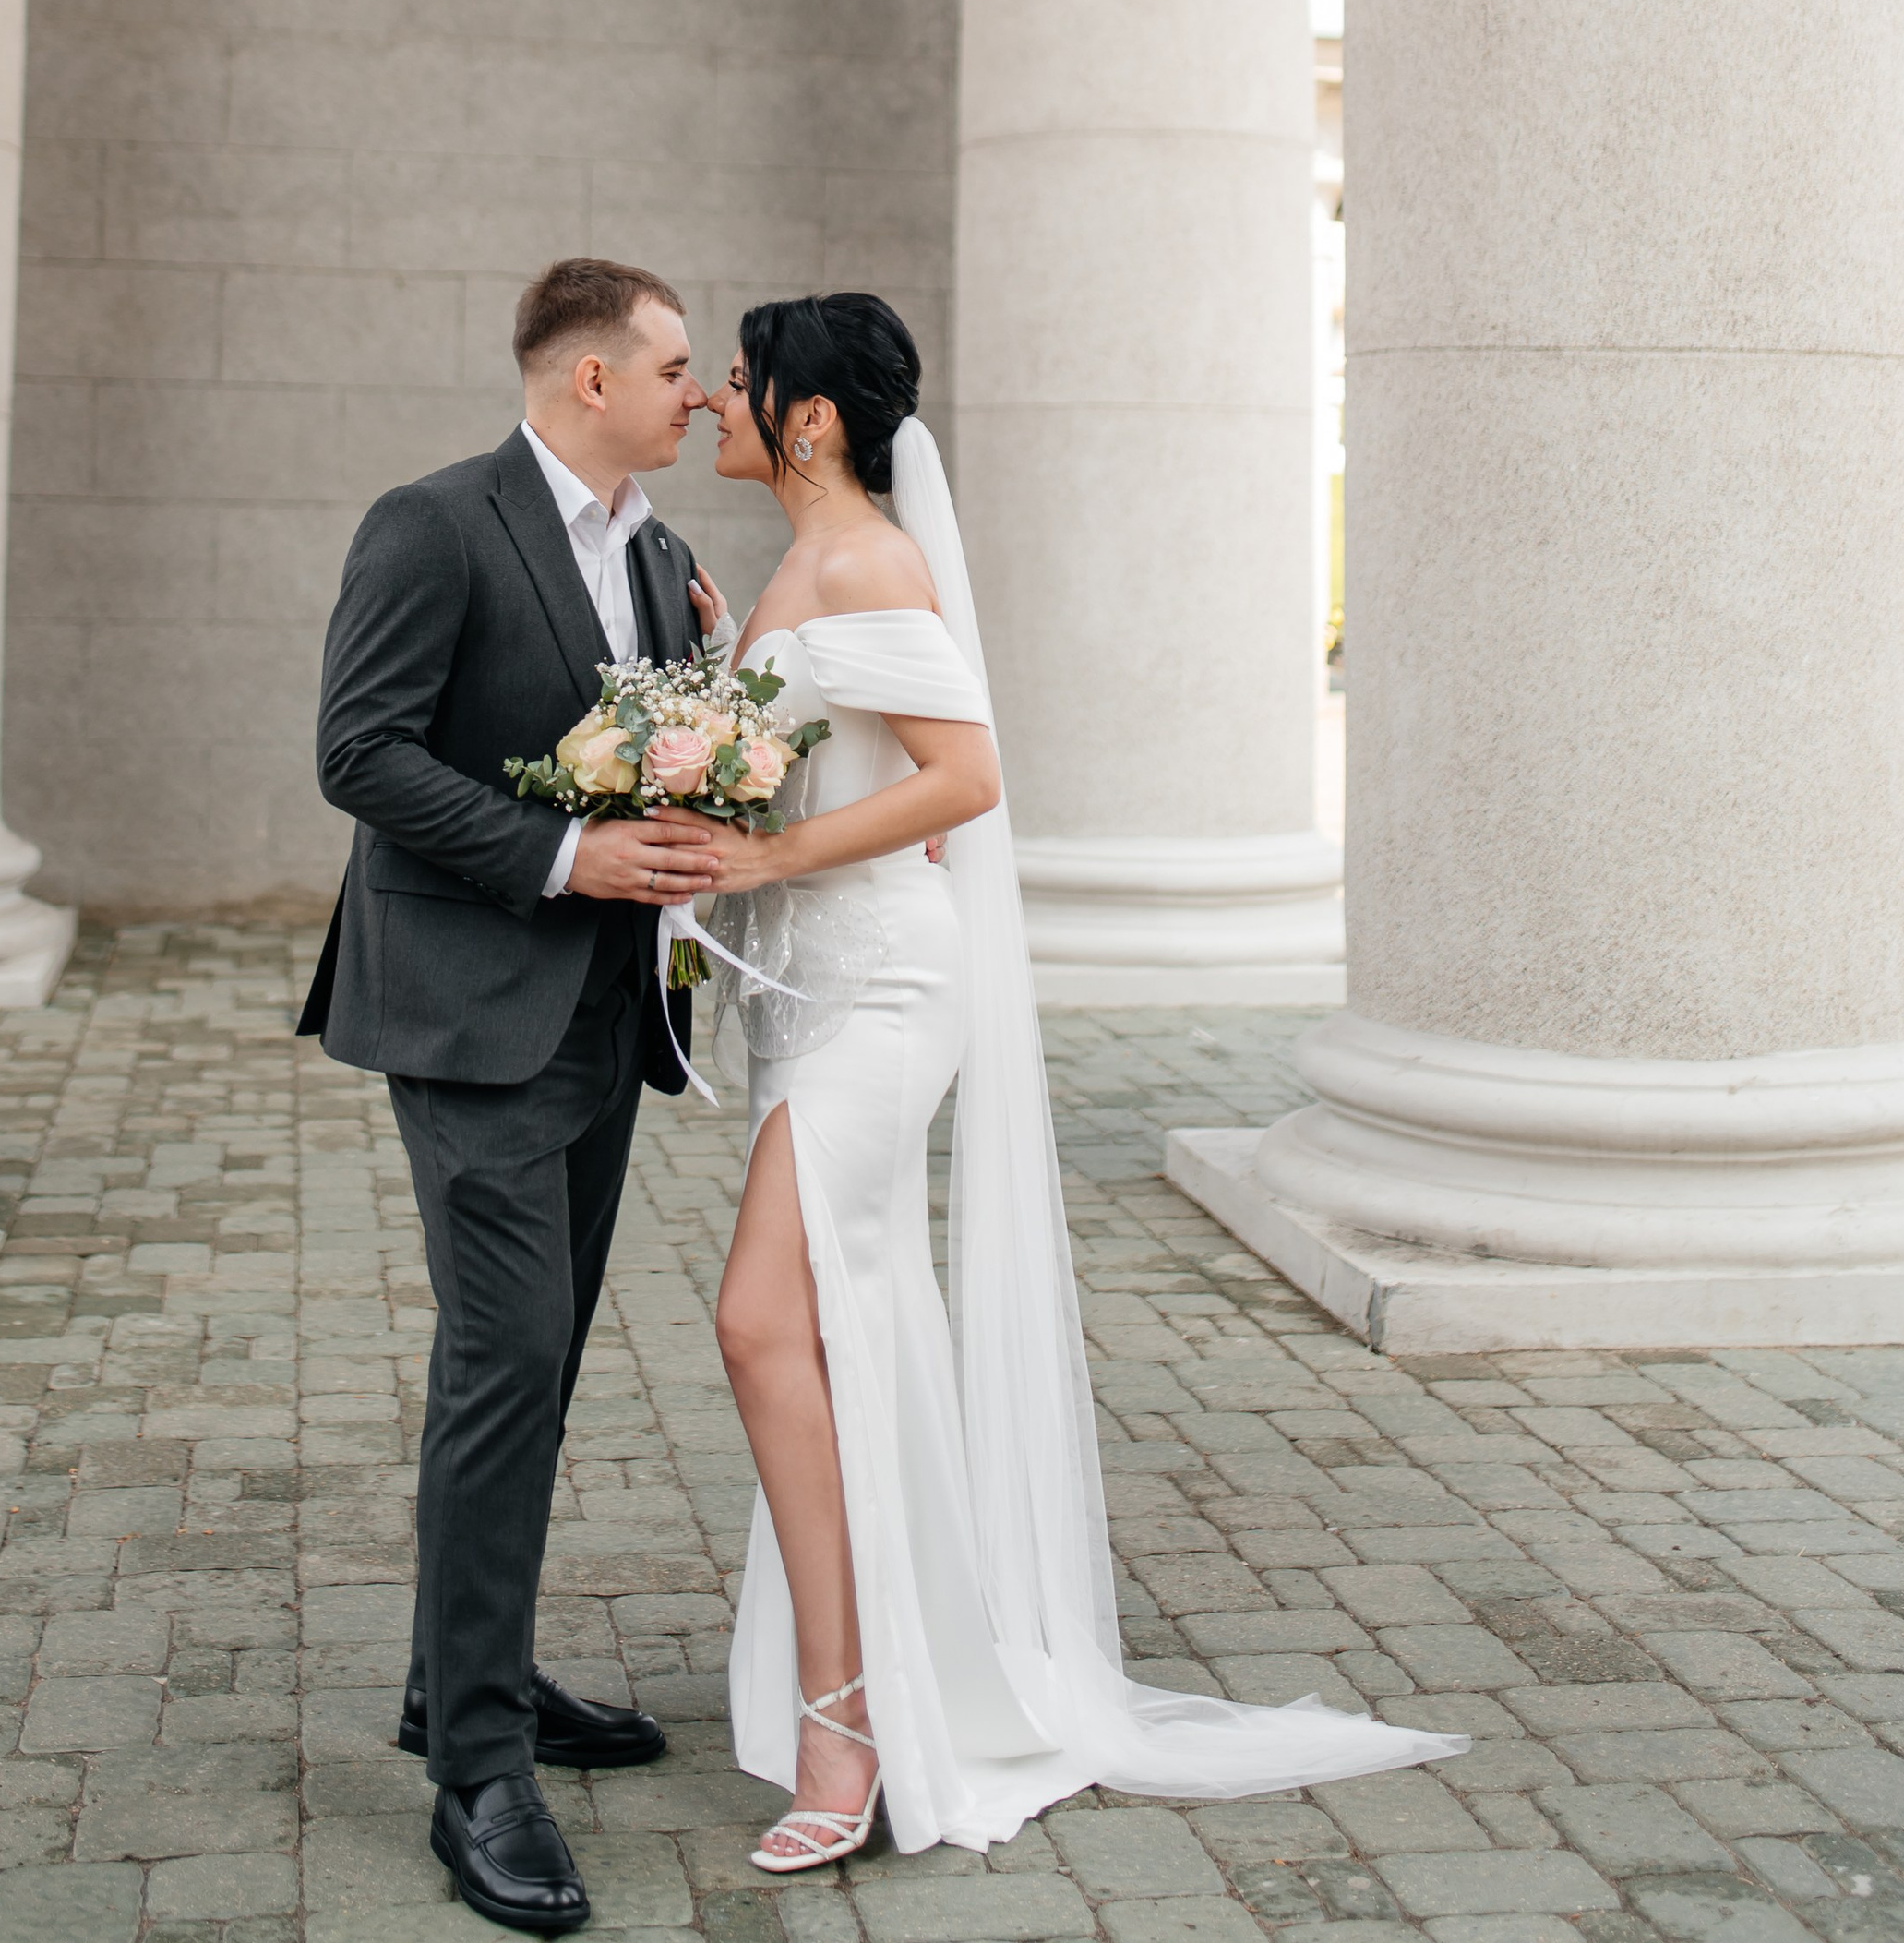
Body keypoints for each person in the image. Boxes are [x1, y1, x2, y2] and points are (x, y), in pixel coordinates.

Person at [666, 291, 1467, 1868]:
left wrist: (771, 846)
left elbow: (968, 783)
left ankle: (852, 1723)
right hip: (811, 988)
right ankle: (888, 1673)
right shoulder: (793, 563)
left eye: (742, 384)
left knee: (762, 1319)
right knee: (846, 1326)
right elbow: (862, 754)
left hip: (888, 986)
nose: (718, 405)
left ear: (812, 419)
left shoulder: (871, 560)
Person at [297, 257, 729, 1939]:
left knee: (536, 1361)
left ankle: (455, 1678)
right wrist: (566, 853)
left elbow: (668, 743)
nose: (702, 393)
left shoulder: (671, 559)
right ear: (590, 381)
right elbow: (361, 751)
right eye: (680, 367)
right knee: (504, 1359)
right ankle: (478, 1773)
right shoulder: (433, 522)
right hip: (467, 1003)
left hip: (606, 1015)